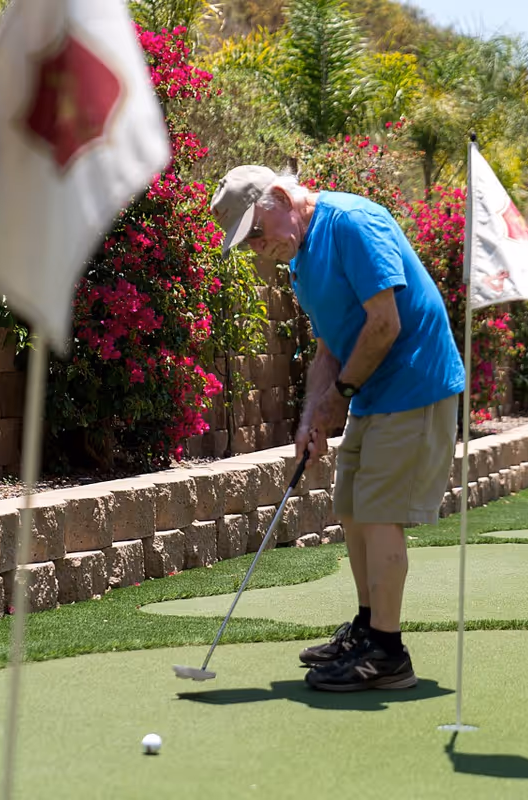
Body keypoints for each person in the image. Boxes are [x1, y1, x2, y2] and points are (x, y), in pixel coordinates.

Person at [210, 165, 465, 691]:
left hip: (417, 382)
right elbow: (330, 346)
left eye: (256, 233)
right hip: (373, 391)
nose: (258, 249)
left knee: (378, 512)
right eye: (248, 244)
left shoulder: (352, 222)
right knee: (350, 507)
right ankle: (369, 630)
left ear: (279, 197)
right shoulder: (301, 261)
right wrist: (311, 415)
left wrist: (338, 400)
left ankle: (388, 654)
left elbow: (385, 324)